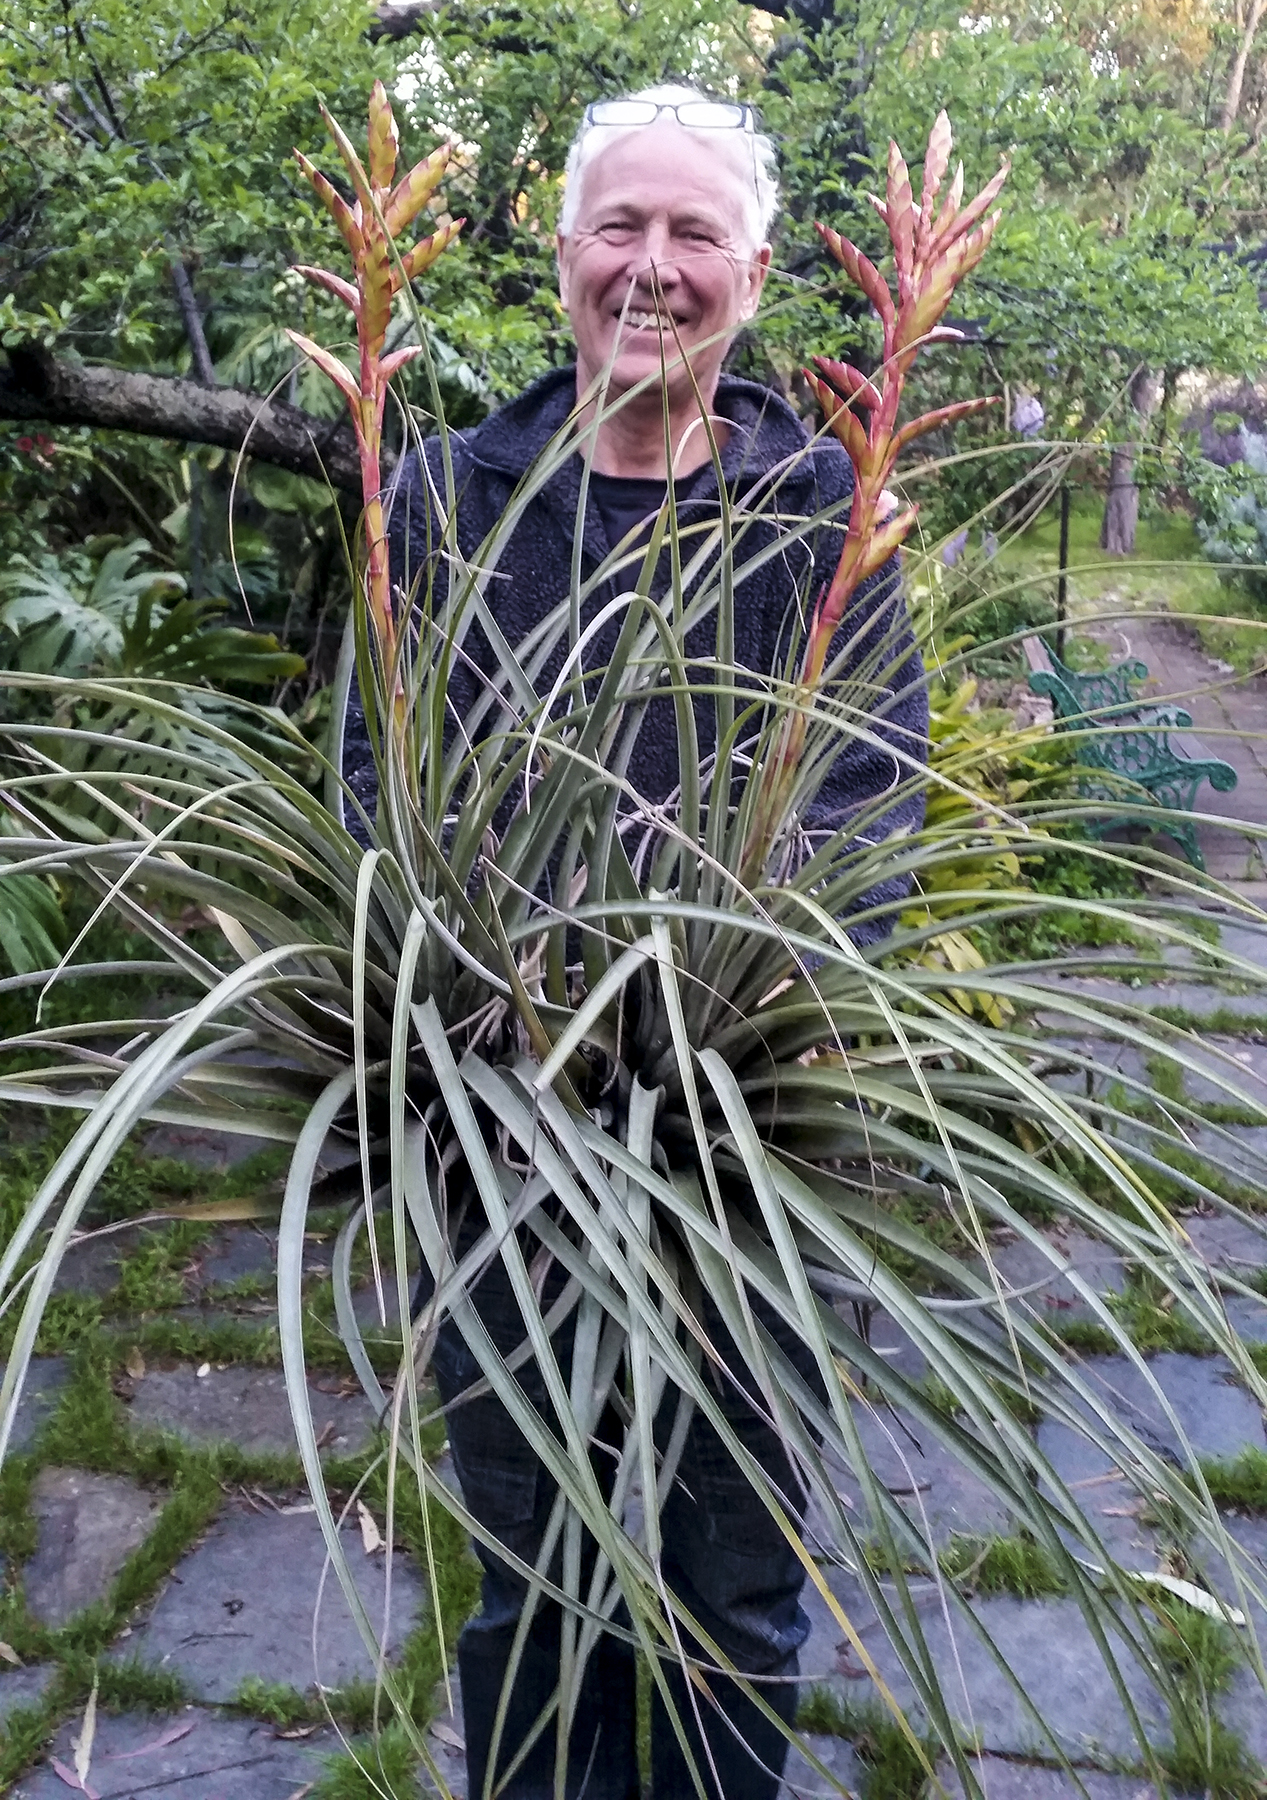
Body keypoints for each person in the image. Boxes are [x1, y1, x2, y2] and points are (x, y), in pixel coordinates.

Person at [343, 84, 928, 1800]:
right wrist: (466, 1033)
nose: (651, 269)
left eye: (693, 236)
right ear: (561, 255)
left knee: (729, 1602)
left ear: (753, 274)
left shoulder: (820, 511)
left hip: (739, 1161)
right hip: (501, 1164)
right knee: (530, 1593)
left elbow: (866, 812)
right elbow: (381, 787)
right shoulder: (451, 496)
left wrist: (716, 1030)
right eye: (621, 228)